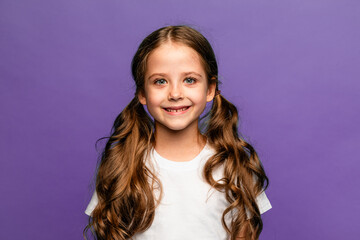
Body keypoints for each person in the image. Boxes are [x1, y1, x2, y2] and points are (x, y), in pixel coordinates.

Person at [83, 25, 272, 240]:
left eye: (189, 80)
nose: (175, 93)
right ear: (142, 93)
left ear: (210, 89)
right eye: (160, 81)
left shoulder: (235, 165)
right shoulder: (120, 166)